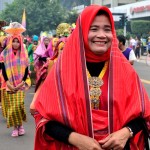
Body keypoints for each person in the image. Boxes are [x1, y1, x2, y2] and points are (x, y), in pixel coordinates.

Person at [31, 5, 150, 150]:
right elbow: (43, 117)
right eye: (93, 29)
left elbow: (144, 114)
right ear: (81, 31)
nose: (101, 35)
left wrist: (126, 132)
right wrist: (75, 138)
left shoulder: (125, 70)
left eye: (107, 29)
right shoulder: (62, 69)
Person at [1, 22, 31, 137]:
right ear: (10, 41)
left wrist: (21, 83)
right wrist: (8, 83)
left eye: (17, 41)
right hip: (9, 84)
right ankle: (15, 127)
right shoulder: (4, 54)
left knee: (18, 105)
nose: (15, 43)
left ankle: (20, 126)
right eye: (13, 41)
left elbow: (26, 70)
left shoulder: (24, 55)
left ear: (20, 42)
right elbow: (3, 70)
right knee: (12, 108)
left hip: (20, 85)